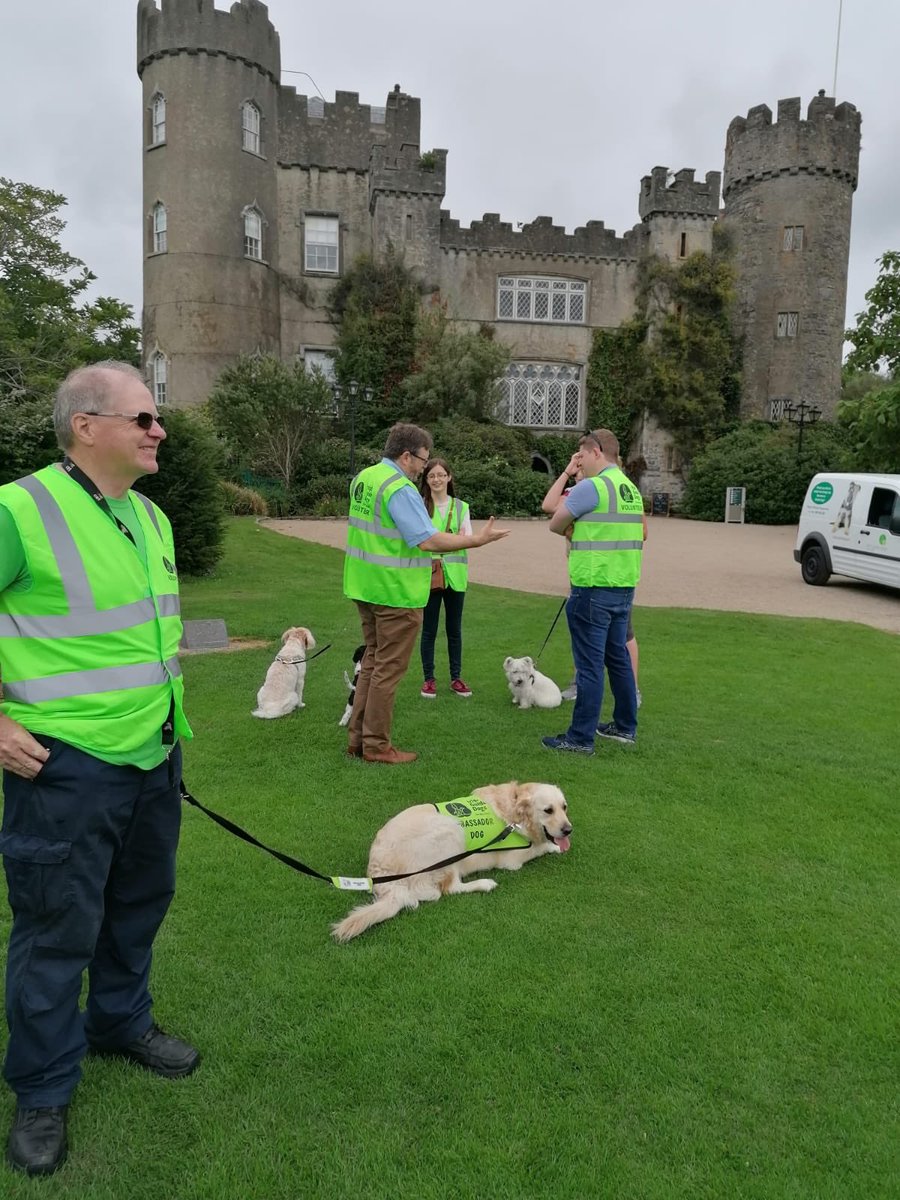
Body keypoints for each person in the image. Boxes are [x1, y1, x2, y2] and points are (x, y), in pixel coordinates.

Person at [0, 362, 197, 1177]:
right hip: (64, 767)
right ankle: (43, 1089)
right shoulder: (20, 508)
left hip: (153, 753)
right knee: (56, 931)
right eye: (145, 419)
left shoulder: (148, 516)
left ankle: (120, 1021)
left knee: (139, 903)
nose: (159, 431)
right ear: (87, 426)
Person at [344, 423, 509, 764]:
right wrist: (475, 540)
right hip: (394, 593)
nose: (424, 466)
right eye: (422, 459)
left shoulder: (365, 477)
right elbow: (428, 540)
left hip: (365, 587)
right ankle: (376, 747)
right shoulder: (399, 488)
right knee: (386, 670)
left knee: (373, 664)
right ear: (406, 456)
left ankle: (358, 740)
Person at [541, 430, 643, 755]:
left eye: (581, 455)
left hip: (592, 587)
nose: (579, 461)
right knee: (618, 659)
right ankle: (625, 726)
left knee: (589, 665)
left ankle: (580, 737)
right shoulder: (630, 489)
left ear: (596, 451)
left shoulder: (592, 487)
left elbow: (554, 523)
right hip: (623, 586)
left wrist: (574, 526)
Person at [417, 458, 474, 699]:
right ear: (426, 480)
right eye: (432, 476)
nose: (437, 480)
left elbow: (468, 539)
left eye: (441, 475)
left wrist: (441, 540)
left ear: (449, 477)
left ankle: (456, 678)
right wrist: (453, 539)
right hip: (428, 575)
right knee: (428, 630)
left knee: (454, 630)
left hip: (456, 577)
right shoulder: (420, 505)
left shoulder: (462, 506)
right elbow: (419, 540)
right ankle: (429, 679)